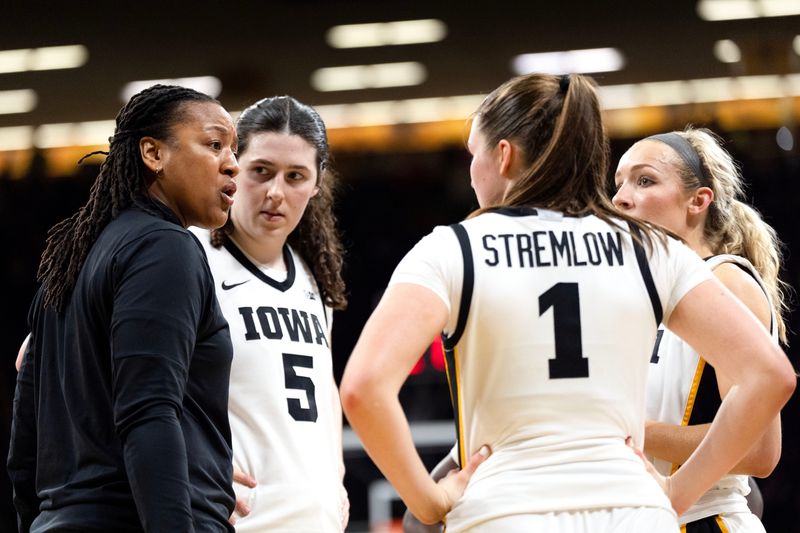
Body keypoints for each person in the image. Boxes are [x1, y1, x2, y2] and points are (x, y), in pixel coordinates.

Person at [339, 72, 795, 533]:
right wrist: (676, 494)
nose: (470, 170)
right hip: (633, 515)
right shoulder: (650, 250)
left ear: (502, 156)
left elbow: (363, 388)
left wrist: (431, 500)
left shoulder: (454, 247)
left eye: (472, 153)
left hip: (508, 514)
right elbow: (771, 375)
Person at [7, 84, 240, 532]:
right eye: (214, 144)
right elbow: (148, 411)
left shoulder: (71, 261)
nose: (232, 163)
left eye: (233, 149)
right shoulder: (166, 247)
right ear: (153, 153)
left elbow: (25, 436)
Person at [612, 127, 790, 532]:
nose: (621, 197)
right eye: (618, 183)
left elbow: (761, 451)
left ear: (698, 200)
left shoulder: (727, 282)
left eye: (644, 180)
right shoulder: (639, 295)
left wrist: (633, 431)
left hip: (704, 518)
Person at [190, 95, 349, 532]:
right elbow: (76, 358)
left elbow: (325, 385)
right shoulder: (184, 255)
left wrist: (334, 471)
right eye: (261, 171)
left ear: (316, 185)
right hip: (232, 516)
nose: (276, 192)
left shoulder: (313, 276)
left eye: (295, 176)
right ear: (232, 166)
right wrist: (186, 459)